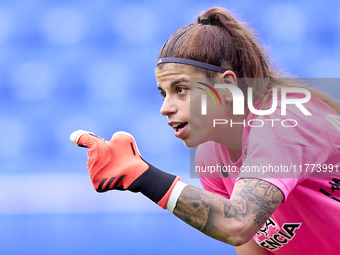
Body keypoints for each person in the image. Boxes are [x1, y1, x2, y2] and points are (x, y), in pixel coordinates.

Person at [70, 7, 340, 254]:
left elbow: (237, 223)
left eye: (181, 90)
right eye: (163, 94)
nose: (165, 108)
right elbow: (247, 244)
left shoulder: (282, 124)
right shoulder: (211, 154)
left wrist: (144, 176)